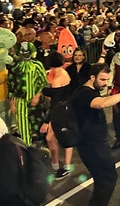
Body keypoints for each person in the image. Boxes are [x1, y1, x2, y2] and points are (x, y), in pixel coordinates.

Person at [72, 64, 120, 206]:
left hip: (94, 143)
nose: (106, 83)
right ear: (92, 78)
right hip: (92, 146)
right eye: (103, 80)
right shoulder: (85, 94)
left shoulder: (88, 89)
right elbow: (102, 103)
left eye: (107, 80)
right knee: (107, 178)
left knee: (103, 179)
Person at [8, 42, 47, 147]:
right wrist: (11, 103)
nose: (25, 53)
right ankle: (26, 148)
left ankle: (39, 150)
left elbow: (43, 82)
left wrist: (37, 95)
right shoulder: (14, 66)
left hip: (34, 100)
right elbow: (11, 85)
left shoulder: (37, 65)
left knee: (37, 125)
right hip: (19, 100)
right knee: (22, 126)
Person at [42, 52, 74, 180]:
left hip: (60, 111)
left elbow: (55, 101)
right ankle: (58, 165)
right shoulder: (63, 72)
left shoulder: (56, 79)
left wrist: (46, 121)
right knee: (54, 137)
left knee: (56, 137)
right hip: (66, 108)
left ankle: (64, 165)